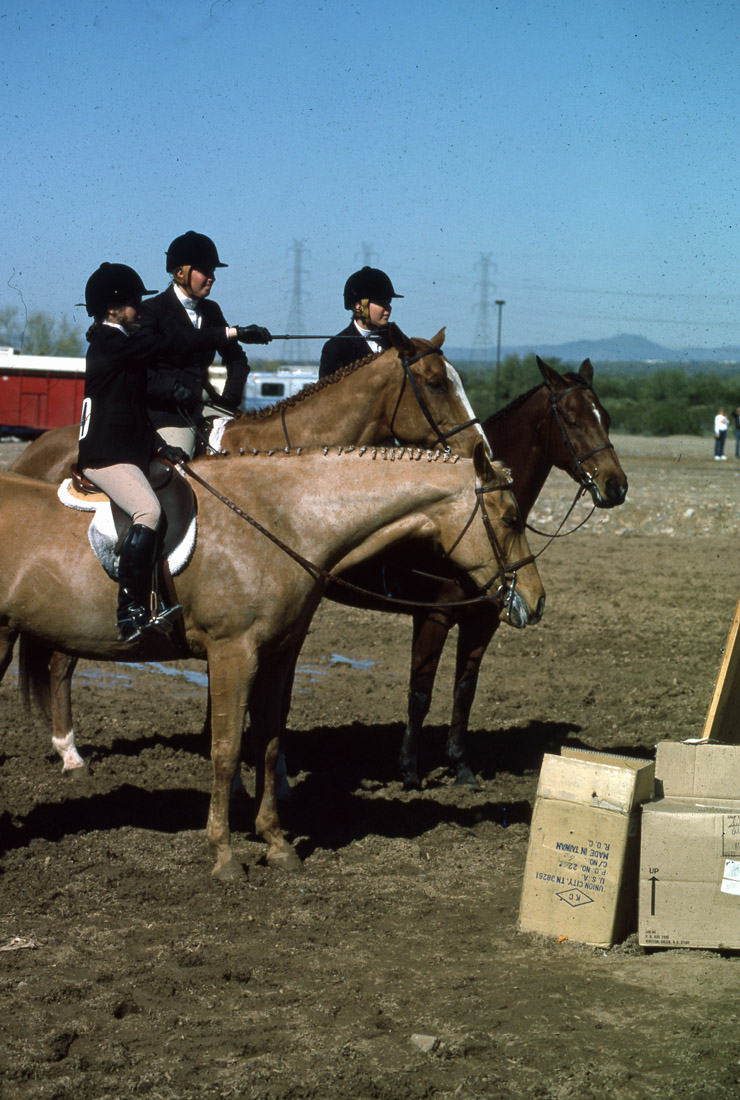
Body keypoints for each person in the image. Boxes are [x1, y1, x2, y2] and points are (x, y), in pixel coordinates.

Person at [78, 262, 191, 642]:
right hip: (103, 455)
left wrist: (162, 447)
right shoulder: (110, 342)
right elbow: (165, 344)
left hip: (124, 448)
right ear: (111, 309)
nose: (138, 309)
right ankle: (130, 612)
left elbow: (134, 410)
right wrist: (227, 334)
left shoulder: (119, 345)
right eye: (131, 303)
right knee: (148, 510)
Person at [140, 230, 272, 457]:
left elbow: (236, 359)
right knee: (182, 464)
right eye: (205, 270)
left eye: (212, 270)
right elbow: (142, 370)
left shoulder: (212, 310)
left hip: (207, 404)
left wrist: (231, 398)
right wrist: (171, 388)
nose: (212, 277)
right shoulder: (152, 311)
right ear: (180, 273)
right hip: (169, 411)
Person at [319, 266, 403, 379]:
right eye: (381, 303)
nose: (388, 308)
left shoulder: (397, 339)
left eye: (388, 302)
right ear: (358, 306)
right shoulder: (336, 348)